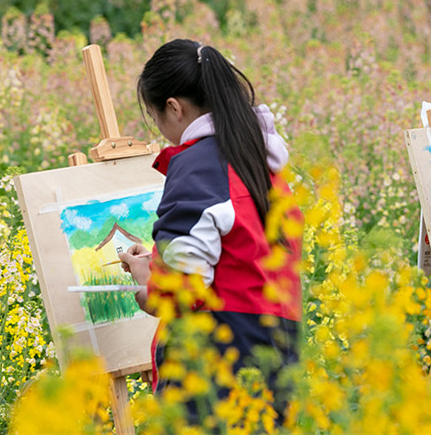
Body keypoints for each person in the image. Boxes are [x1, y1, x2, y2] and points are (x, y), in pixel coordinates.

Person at [119, 39, 302, 421]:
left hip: (219, 372)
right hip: (277, 358)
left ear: (174, 107)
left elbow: (178, 295)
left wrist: (147, 285)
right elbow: (240, 251)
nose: (161, 129)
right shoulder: (259, 157)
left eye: (156, 118)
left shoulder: (198, 166)